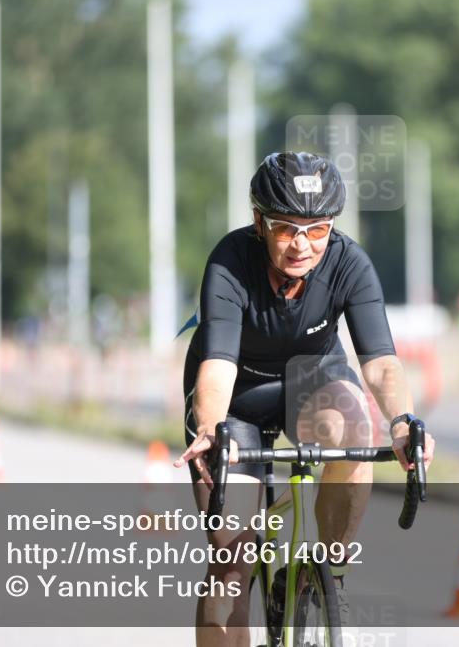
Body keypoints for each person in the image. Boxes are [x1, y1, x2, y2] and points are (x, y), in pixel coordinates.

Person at [174, 152, 436, 646]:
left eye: (317, 230)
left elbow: (379, 362)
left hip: (312, 382)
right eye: (285, 228)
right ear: (258, 222)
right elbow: (218, 367)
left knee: (357, 427)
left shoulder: (348, 262)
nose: (302, 244)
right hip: (235, 397)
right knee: (232, 561)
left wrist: (403, 421)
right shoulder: (231, 261)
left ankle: (330, 572)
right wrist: (211, 429)